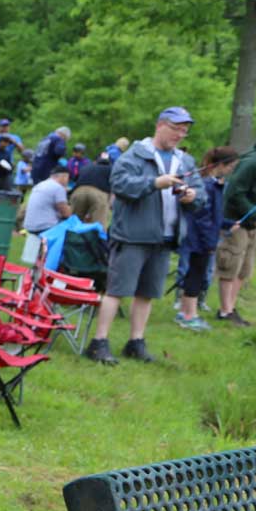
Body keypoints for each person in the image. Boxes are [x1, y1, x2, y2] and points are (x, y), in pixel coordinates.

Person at [85, 107, 197, 365]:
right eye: (176, 129)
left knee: (147, 292)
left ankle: (136, 342)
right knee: (116, 289)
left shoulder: (185, 161)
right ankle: (98, 342)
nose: (180, 135)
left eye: (184, 131)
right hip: (132, 235)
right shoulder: (134, 155)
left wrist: (193, 197)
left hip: (164, 238)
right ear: (160, 125)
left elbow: (199, 194)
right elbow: (120, 184)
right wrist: (154, 183)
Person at [176, 146, 237, 330]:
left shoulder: (213, 184)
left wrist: (227, 224)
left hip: (202, 237)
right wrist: (209, 242)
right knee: (196, 275)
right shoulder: (208, 186)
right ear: (221, 165)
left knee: (195, 274)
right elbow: (202, 218)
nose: (232, 171)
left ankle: (185, 312)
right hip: (199, 240)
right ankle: (189, 315)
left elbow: (214, 216)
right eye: (231, 167)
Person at [217, 140, 256, 326]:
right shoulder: (252, 163)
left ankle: (231, 308)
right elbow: (235, 192)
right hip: (235, 222)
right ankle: (224, 311)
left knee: (244, 270)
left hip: (253, 224)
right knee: (231, 265)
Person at [22, 168, 72, 267]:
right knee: (71, 230)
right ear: (63, 176)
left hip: (30, 225)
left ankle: (37, 264)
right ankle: (57, 265)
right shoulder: (58, 188)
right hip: (45, 226)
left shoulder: (40, 185)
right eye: (67, 178)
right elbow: (65, 212)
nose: (68, 181)